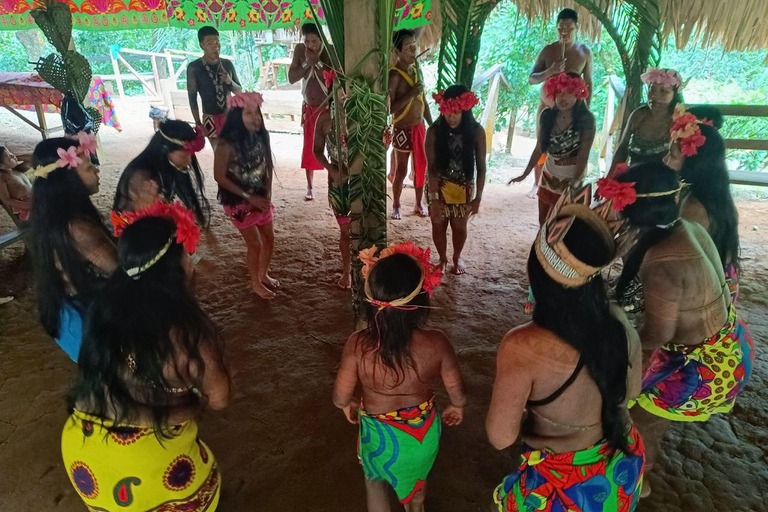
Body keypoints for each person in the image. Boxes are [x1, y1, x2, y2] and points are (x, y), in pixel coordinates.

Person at [63, 202, 231, 512]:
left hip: (82, 453)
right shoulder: (188, 332)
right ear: (179, 264)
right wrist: (189, 402)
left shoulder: (102, 308)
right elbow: (218, 399)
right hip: (148, 466)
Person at [487, 185, 645, 512]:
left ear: (536, 270)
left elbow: (501, 437)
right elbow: (630, 394)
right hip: (622, 471)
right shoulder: (618, 321)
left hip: (566, 487)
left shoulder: (522, 345)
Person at [602, 164, 754, 497]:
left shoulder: (662, 263)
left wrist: (619, 352)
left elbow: (657, 336)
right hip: (731, 343)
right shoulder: (687, 226)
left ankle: (640, 481)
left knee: (638, 419)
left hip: (704, 369)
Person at [333, 242, 465, 511]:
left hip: (378, 435)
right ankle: (415, 507)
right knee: (417, 486)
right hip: (421, 435)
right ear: (422, 302)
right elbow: (456, 390)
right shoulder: (437, 343)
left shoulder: (357, 344)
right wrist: (457, 405)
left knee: (375, 480)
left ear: (371, 302)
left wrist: (347, 404)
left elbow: (341, 396)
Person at [28, 135, 117, 362]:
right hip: (84, 319)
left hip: (68, 313)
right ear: (68, 177)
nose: (96, 172)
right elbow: (124, 271)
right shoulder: (76, 227)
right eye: (89, 167)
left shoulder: (52, 214)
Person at [664, 107, 741, 303]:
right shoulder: (716, 193)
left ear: (694, 162)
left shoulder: (695, 207)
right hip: (724, 282)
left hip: (708, 293)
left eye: (672, 156)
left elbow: (679, 259)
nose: (665, 160)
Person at [213, 92, 278, 300]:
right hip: (238, 201)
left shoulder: (261, 136)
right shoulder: (226, 144)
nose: (255, 117)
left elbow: (268, 164)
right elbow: (219, 176)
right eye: (248, 113)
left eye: (257, 112)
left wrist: (267, 195)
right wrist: (249, 198)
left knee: (269, 237)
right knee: (255, 244)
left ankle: (263, 273)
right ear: (236, 117)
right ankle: (255, 282)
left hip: (260, 196)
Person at [510, 73, 595, 225]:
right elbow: (539, 148)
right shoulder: (547, 115)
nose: (563, 98)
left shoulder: (586, 120)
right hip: (549, 174)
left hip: (572, 177)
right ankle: (541, 246)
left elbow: (583, 155)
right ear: (553, 93)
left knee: (562, 223)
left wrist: (575, 183)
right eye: (559, 93)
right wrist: (525, 174)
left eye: (569, 93)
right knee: (543, 219)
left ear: (578, 93)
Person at [526, 8, 593, 198]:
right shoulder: (549, 50)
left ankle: (570, 183)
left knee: (573, 148)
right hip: (547, 107)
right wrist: (550, 71)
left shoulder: (584, 52)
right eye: (560, 29)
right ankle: (537, 183)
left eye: (569, 29)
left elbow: (589, 83)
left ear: (576, 28)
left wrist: (585, 109)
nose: (564, 33)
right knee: (542, 144)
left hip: (573, 111)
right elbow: (532, 78)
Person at [425, 85, 486, 275]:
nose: (451, 117)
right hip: (438, 186)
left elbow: (481, 166)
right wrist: (434, 198)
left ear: (465, 110)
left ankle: (457, 256)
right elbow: (431, 167)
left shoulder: (476, 131)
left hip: (464, 187)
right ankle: (442, 258)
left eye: (456, 112)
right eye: (447, 112)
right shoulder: (434, 131)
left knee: (459, 226)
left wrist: (478, 197)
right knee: (438, 224)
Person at [114, 120, 210, 227]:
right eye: (185, 155)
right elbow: (149, 223)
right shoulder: (143, 179)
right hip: (135, 231)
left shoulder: (167, 165)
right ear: (166, 149)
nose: (189, 161)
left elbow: (187, 194)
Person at [389, 29, 433, 220]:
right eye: (408, 48)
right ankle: (396, 205)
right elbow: (389, 108)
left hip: (419, 127)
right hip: (402, 129)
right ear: (397, 52)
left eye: (413, 46)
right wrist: (411, 93)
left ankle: (418, 203)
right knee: (401, 170)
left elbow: (423, 99)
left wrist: (432, 123)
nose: (413, 51)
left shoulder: (417, 70)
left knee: (421, 167)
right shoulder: (394, 76)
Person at [608, 68, 683, 176]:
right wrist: (610, 178)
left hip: (664, 187)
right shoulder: (637, 115)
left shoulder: (679, 121)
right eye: (652, 90)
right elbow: (622, 149)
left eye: (664, 91)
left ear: (675, 95)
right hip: (633, 183)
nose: (655, 96)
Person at [289, 22, 332, 201]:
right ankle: (310, 186)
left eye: (314, 41)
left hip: (328, 108)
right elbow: (292, 78)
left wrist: (319, 63)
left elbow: (336, 75)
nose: (311, 45)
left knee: (332, 147)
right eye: (307, 41)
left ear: (321, 39)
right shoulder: (300, 50)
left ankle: (333, 181)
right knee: (309, 147)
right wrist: (307, 62)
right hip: (310, 107)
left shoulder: (330, 51)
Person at [313, 97, 352, 289]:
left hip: (363, 179)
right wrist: (332, 169)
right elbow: (317, 150)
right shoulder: (325, 118)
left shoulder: (363, 113)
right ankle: (347, 270)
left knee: (364, 228)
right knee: (346, 230)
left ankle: (366, 266)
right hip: (339, 182)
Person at [187, 26, 241, 148]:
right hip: (210, 119)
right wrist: (197, 122)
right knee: (219, 155)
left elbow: (239, 91)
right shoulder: (194, 67)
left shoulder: (227, 64)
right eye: (209, 43)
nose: (215, 46)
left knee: (235, 152)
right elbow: (192, 97)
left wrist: (229, 81)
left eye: (217, 42)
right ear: (202, 46)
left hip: (230, 117)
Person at [0, 146, 32, 221]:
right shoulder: (2, 177)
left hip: (35, 200)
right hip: (25, 209)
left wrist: (16, 158)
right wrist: (28, 206)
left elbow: (33, 159)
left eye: (11, 153)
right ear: (1, 165)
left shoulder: (16, 170)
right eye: (8, 156)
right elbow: (7, 200)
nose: (12, 155)